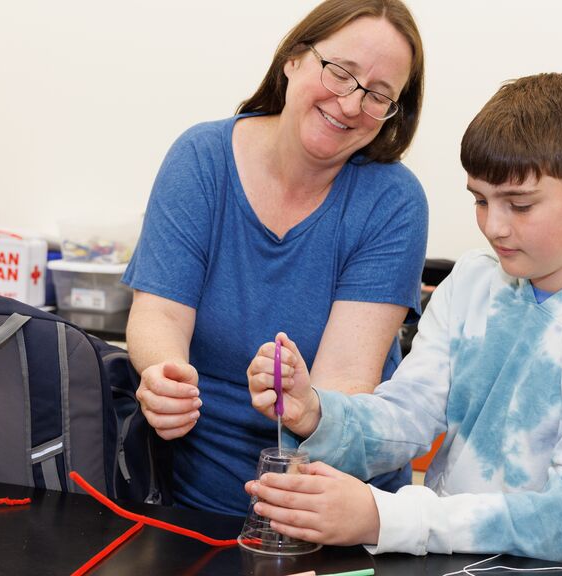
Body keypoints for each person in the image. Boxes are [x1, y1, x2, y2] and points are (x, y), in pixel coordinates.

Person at [246, 73, 562, 575]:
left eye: (519, 205)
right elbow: (410, 412)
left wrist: (384, 517)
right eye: (480, 199)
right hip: (457, 563)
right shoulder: (475, 281)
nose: (494, 226)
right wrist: (317, 412)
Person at [122, 0, 428, 516]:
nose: (351, 105)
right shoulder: (201, 159)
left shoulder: (393, 201)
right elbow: (159, 314)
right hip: (191, 503)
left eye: (378, 95)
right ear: (293, 59)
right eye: (340, 73)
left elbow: (345, 386)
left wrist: (304, 396)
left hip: (329, 515)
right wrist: (165, 377)